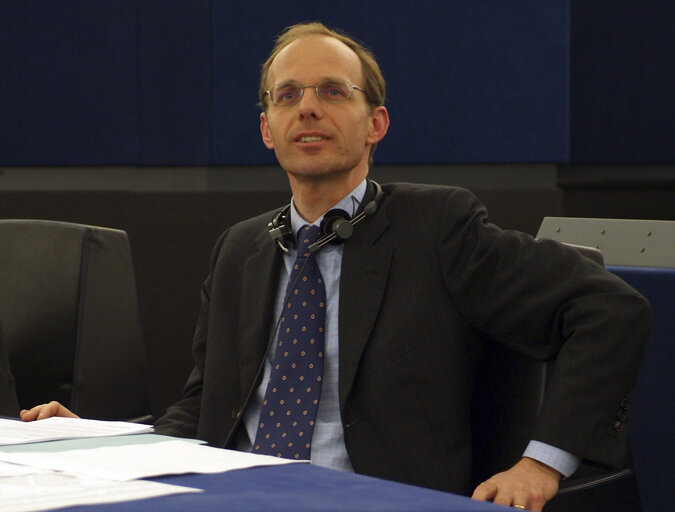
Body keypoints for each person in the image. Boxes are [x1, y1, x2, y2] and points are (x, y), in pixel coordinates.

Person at [22, 22, 651, 511]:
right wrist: (103, 440)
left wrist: (542, 464)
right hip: (231, 494)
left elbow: (610, 308)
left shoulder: (438, 228)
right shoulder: (239, 249)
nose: (308, 108)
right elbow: (202, 411)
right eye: (287, 96)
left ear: (374, 123)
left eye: (332, 91)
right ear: (267, 129)